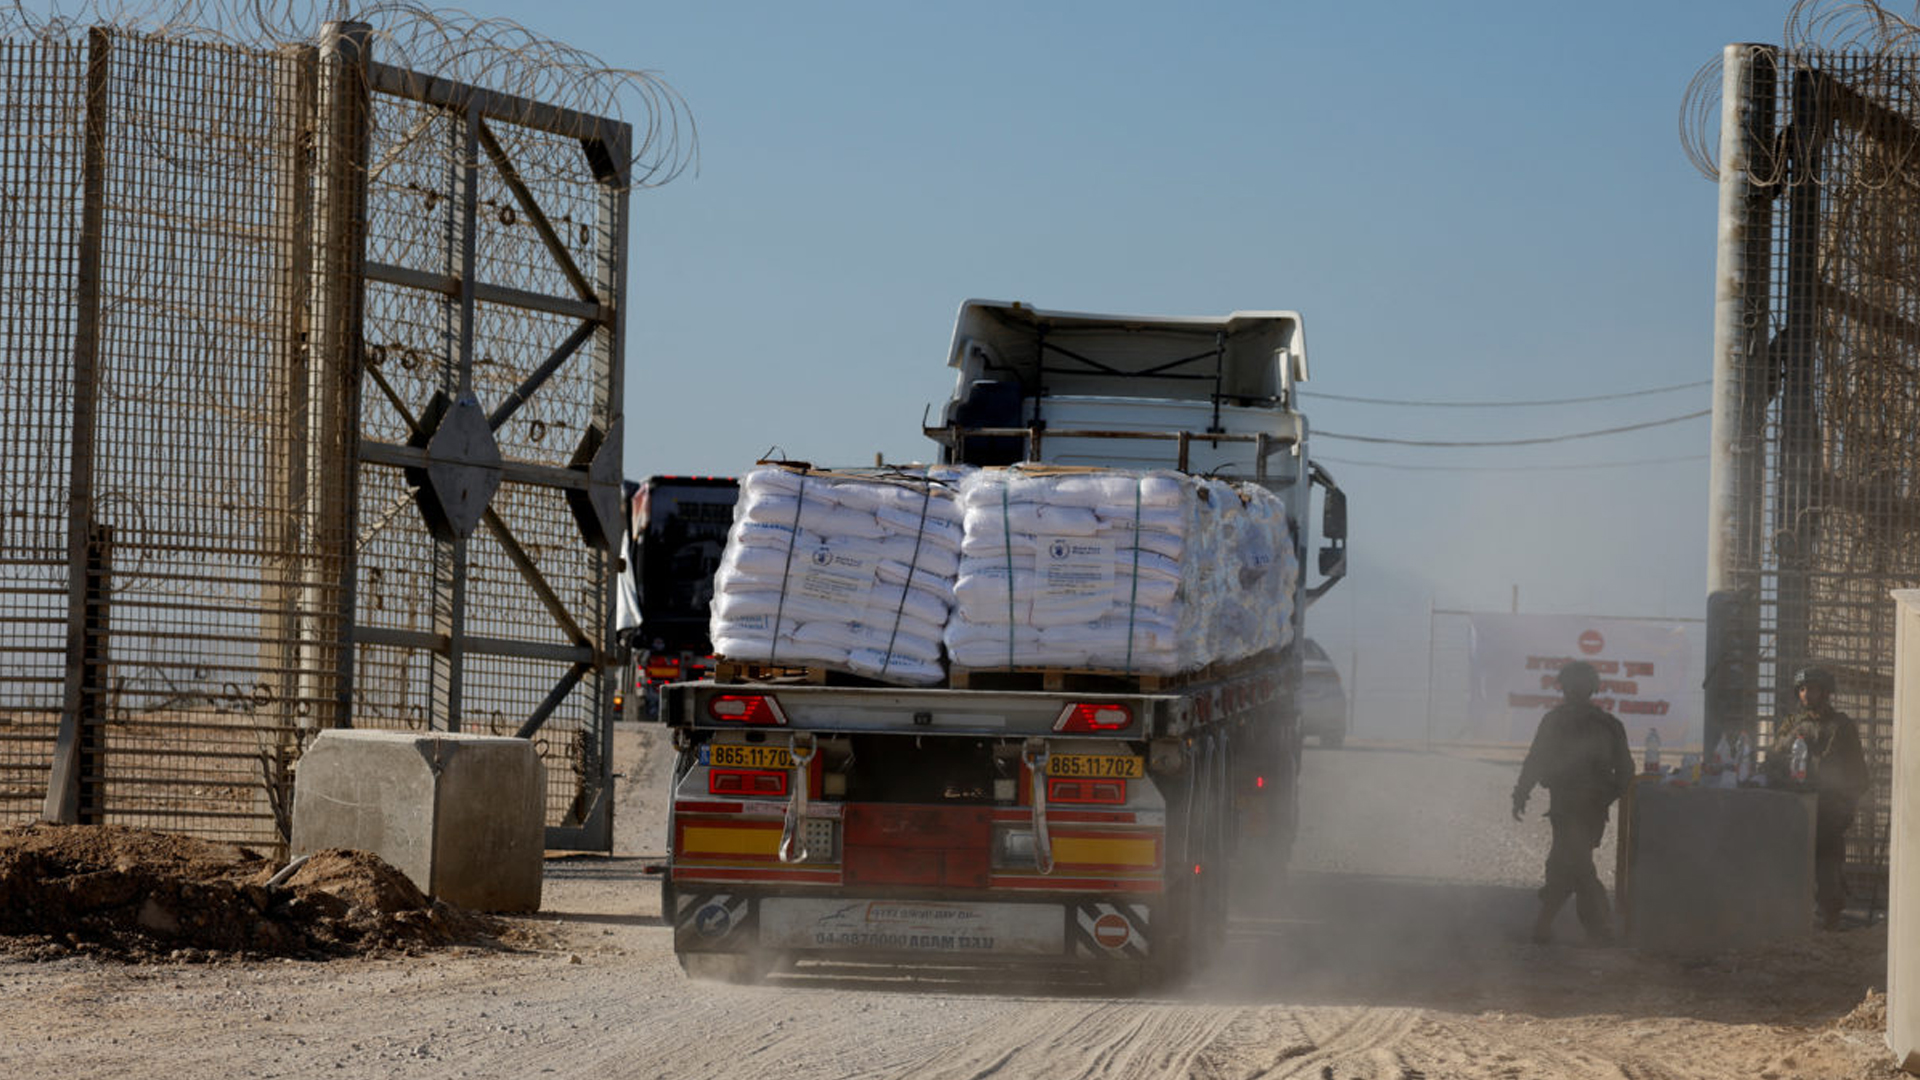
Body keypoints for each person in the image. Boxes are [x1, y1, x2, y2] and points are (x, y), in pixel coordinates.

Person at [1511, 660, 1635, 945]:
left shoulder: (1555, 721)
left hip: (1567, 808)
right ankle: (1591, 927)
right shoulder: (1609, 725)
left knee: (1570, 864)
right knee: (1571, 864)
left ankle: (1589, 927)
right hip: (1587, 809)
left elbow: (1535, 761)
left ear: (1564, 688)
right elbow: (1626, 773)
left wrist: (1521, 793)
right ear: (1593, 688)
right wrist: (1607, 796)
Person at [1763, 666, 1869, 930]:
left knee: (1827, 864)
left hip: (1829, 806)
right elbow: (1773, 760)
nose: (1806, 694)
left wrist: (1844, 806)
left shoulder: (1841, 726)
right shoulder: (1792, 725)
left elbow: (1852, 773)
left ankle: (1829, 918)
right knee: (1789, 861)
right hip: (1795, 804)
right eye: (1802, 689)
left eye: (1812, 688)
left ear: (1825, 692)